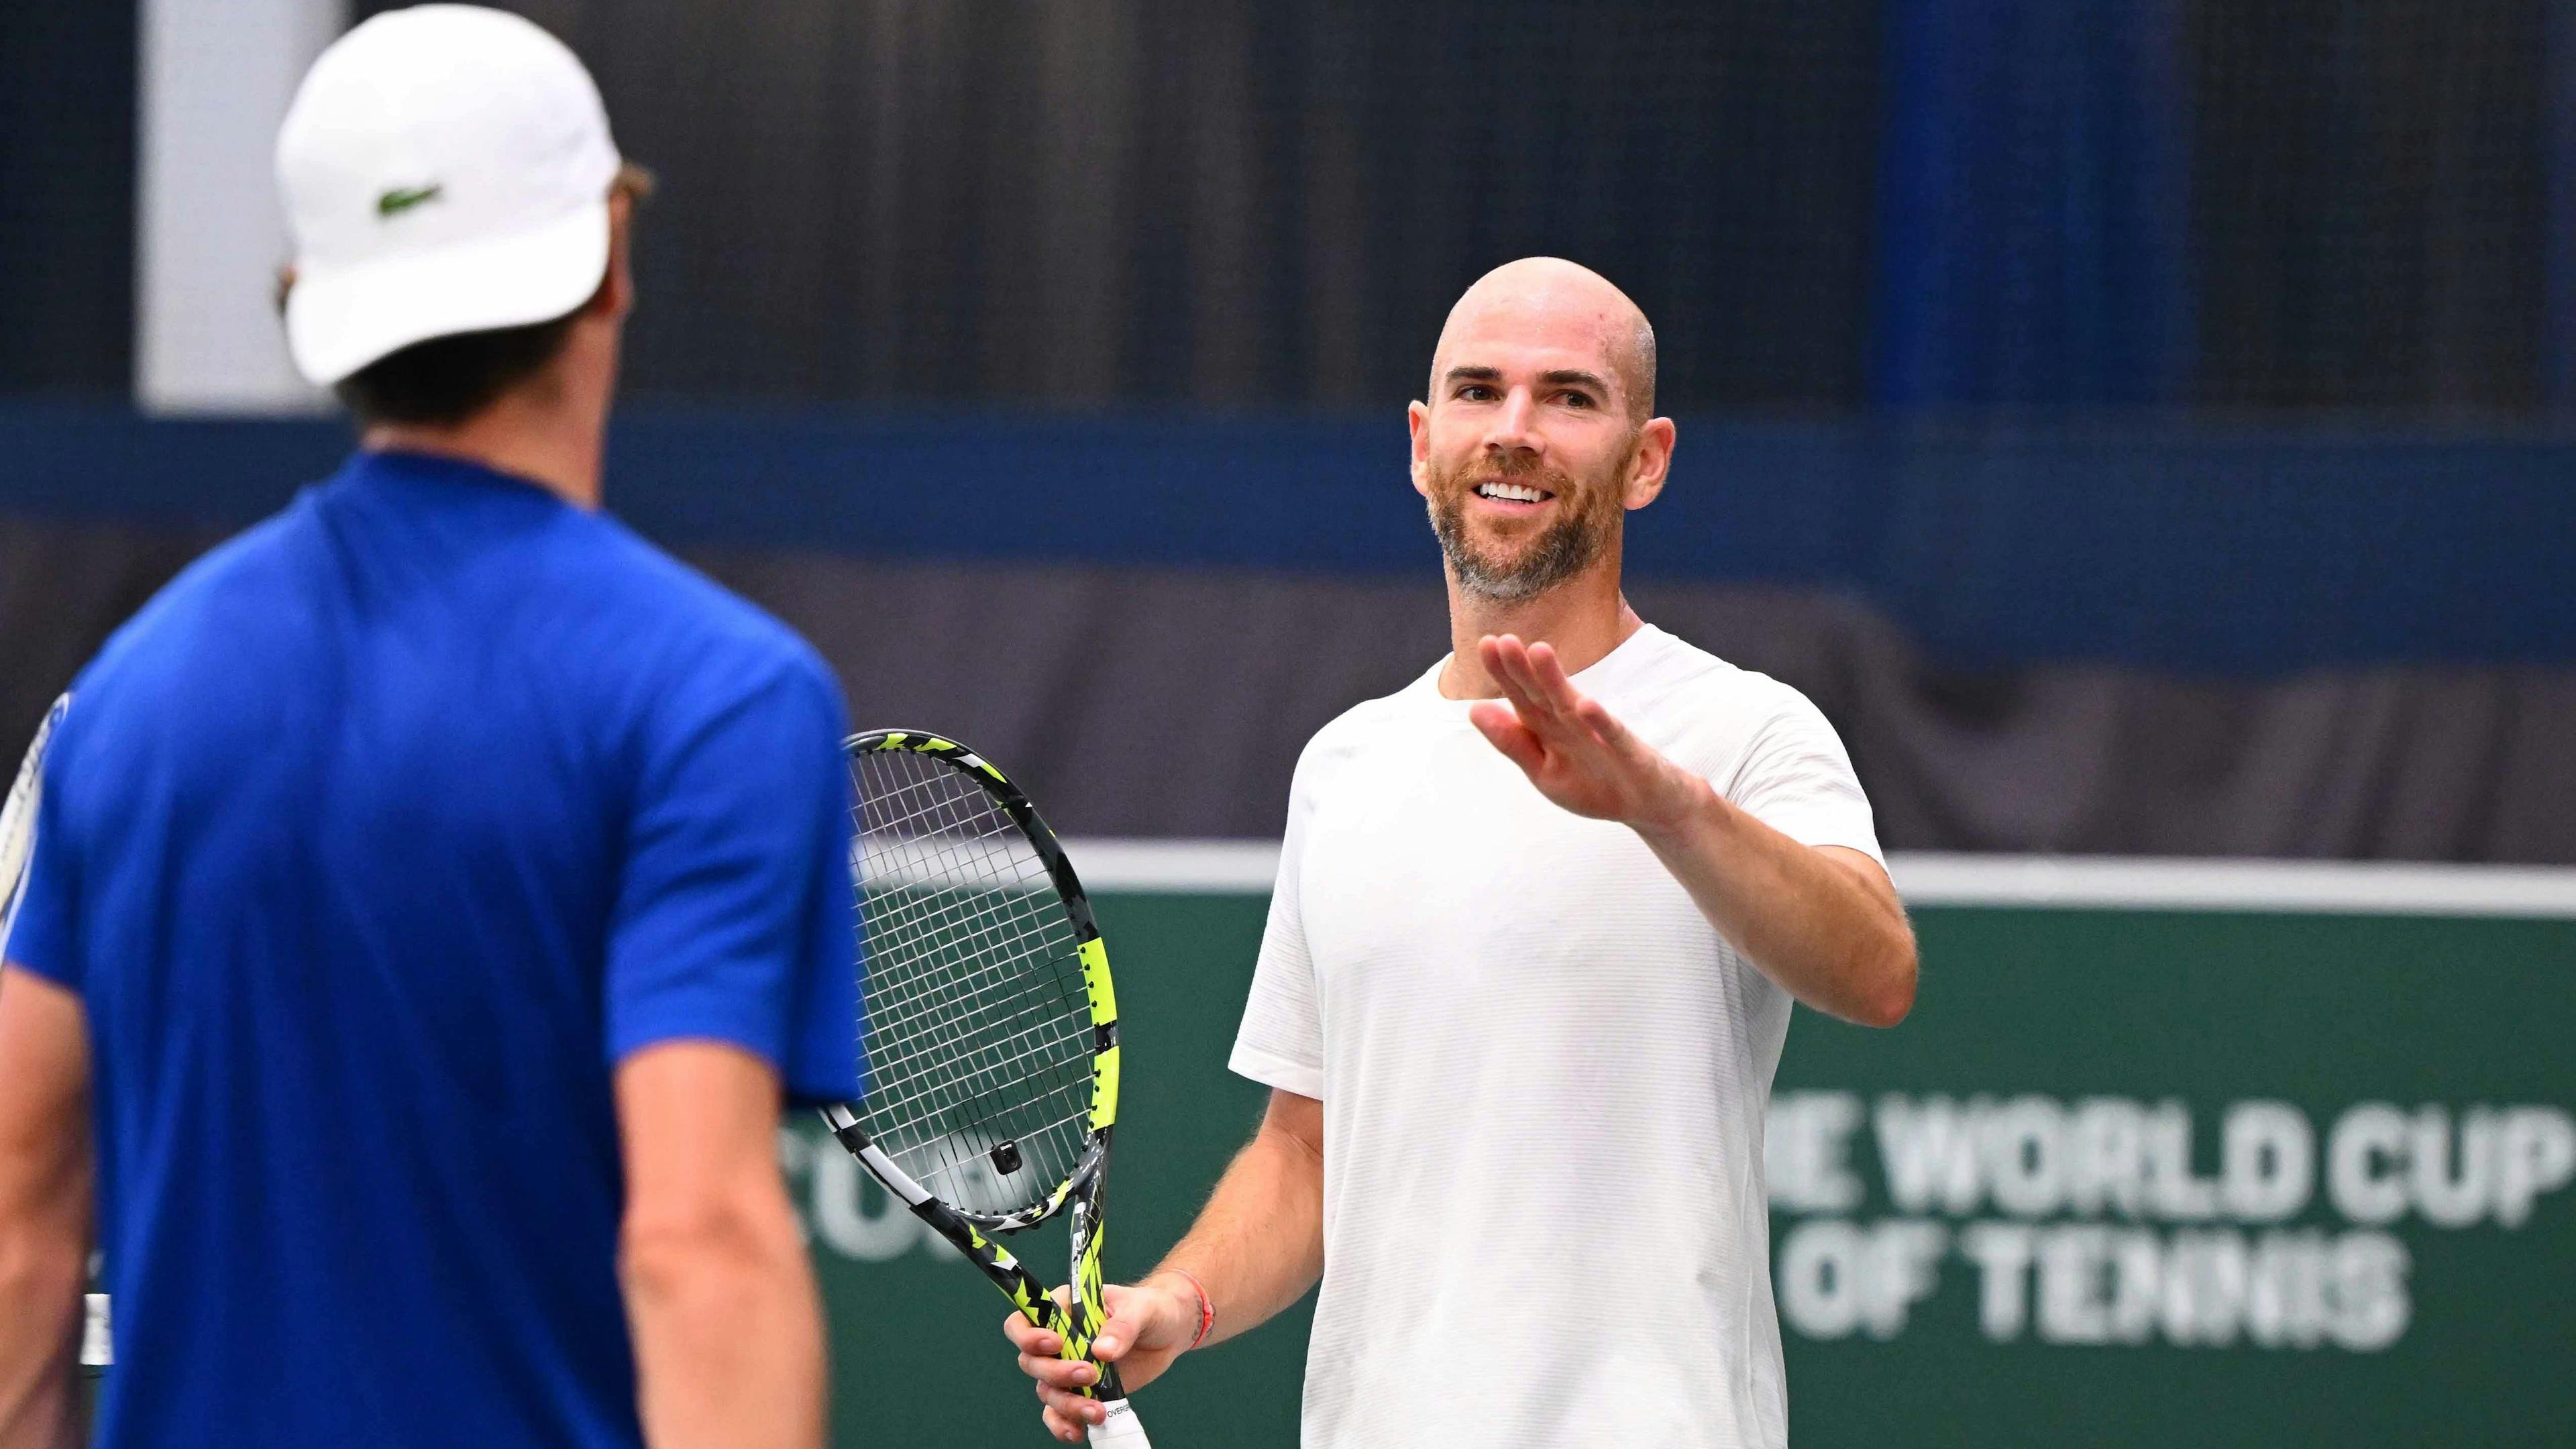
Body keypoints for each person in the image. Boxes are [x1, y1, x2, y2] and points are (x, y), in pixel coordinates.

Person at [0, 9, 854, 1449]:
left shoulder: (127, 702)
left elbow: (19, 1210)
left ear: (311, 297)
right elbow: (697, 1241)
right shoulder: (718, 699)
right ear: (610, 262)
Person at [1005, 258, 1918, 1447]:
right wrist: (1179, 1301)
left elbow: (1876, 968)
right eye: (1481, 393)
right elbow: (1308, 1148)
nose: (1517, 433)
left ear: (1647, 460)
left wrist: (1666, 809)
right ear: (1425, 444)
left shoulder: (1746, 729)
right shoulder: (1345, 766)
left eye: (1571, 398)